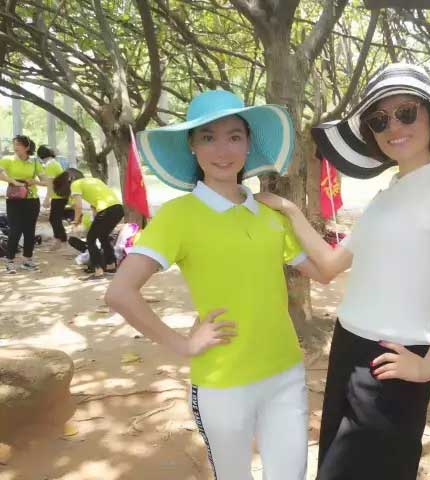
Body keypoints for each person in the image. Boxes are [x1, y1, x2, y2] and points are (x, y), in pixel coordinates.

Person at [256, 63, 430, 480]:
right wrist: (291, 212)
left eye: (406, 113)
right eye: (379, 120)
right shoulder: (386, 196)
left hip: (394, 357)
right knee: (335, 461)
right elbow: (329, 266)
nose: (393, 127)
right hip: (348, 345)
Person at [105, 90, 327, 480]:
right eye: (208, 137)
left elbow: (324, 272)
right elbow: (120, 293)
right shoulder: (178, 216)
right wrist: (183, 345)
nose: (222, 150)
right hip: (223, 382)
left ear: (248, 143)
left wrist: (293, 211)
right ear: (191, 146)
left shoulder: (270, 214)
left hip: (285, 373)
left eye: (234, 136)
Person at [53, 169, 124, 280]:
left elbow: (78, 206)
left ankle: (98, 271)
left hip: (106, 210)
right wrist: (95, 220)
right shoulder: (93, 181)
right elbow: (95, 205)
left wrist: (75, 221)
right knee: (103, 237)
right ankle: (111, 266)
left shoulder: (75, 184)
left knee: (90, 239)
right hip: (118, 209)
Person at [0, 135, 48, 273]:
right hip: (14, 200)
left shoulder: (35, 162)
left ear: (26, 147)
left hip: (32, 199)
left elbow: (46, 181)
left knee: (29, 231)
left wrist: (35, 182)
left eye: (19, 145)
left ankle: (28, 260)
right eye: (14, 144)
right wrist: (13, 181)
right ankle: (10, 261)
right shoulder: (8, 160)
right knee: (15, 230)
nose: (15, 147)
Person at [38, 145, 69, 251]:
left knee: (54, 219)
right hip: (61, 195)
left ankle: (59, 241)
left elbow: (50, 184)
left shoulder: (50, 165)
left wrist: (47, 198)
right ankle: (62, 239)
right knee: (55, 218)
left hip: (58, 196)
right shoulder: (55, 163)